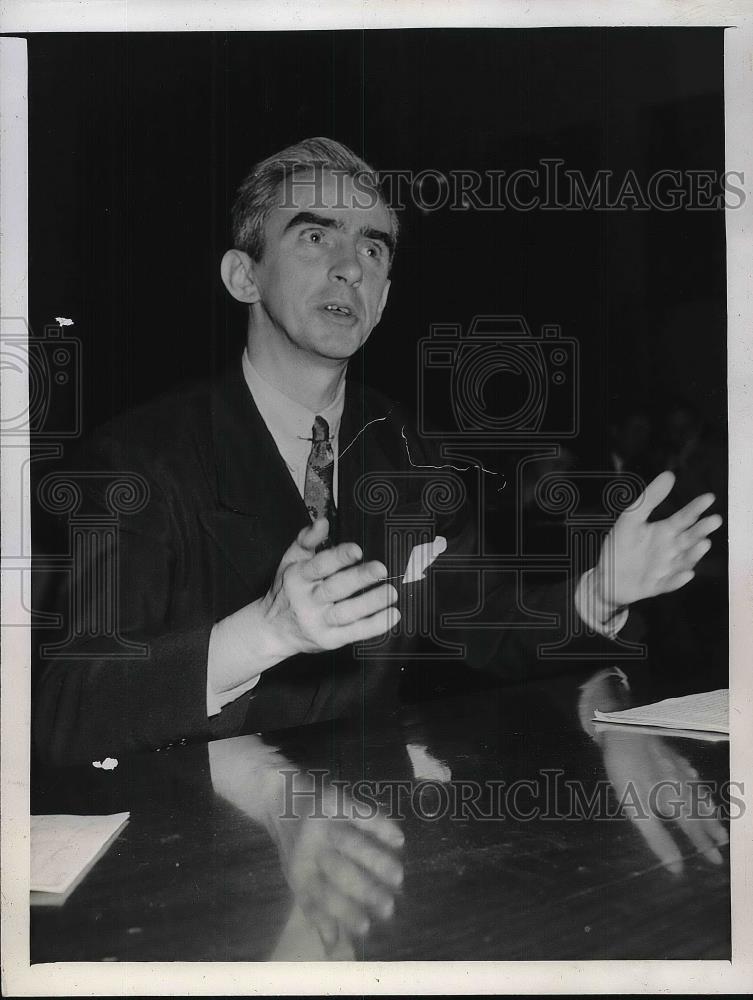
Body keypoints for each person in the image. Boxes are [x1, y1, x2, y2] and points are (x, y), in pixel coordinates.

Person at [32, 138, 722, 766]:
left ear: (385, 297)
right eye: (313, 237)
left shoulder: (412, 450)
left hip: (374, 839)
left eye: (372, 249)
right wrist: (265, 632)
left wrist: (600, 590)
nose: (348, 269)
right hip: (190, 857)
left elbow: (486, 630)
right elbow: (64, 709)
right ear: (244, 276)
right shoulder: (136, 457)